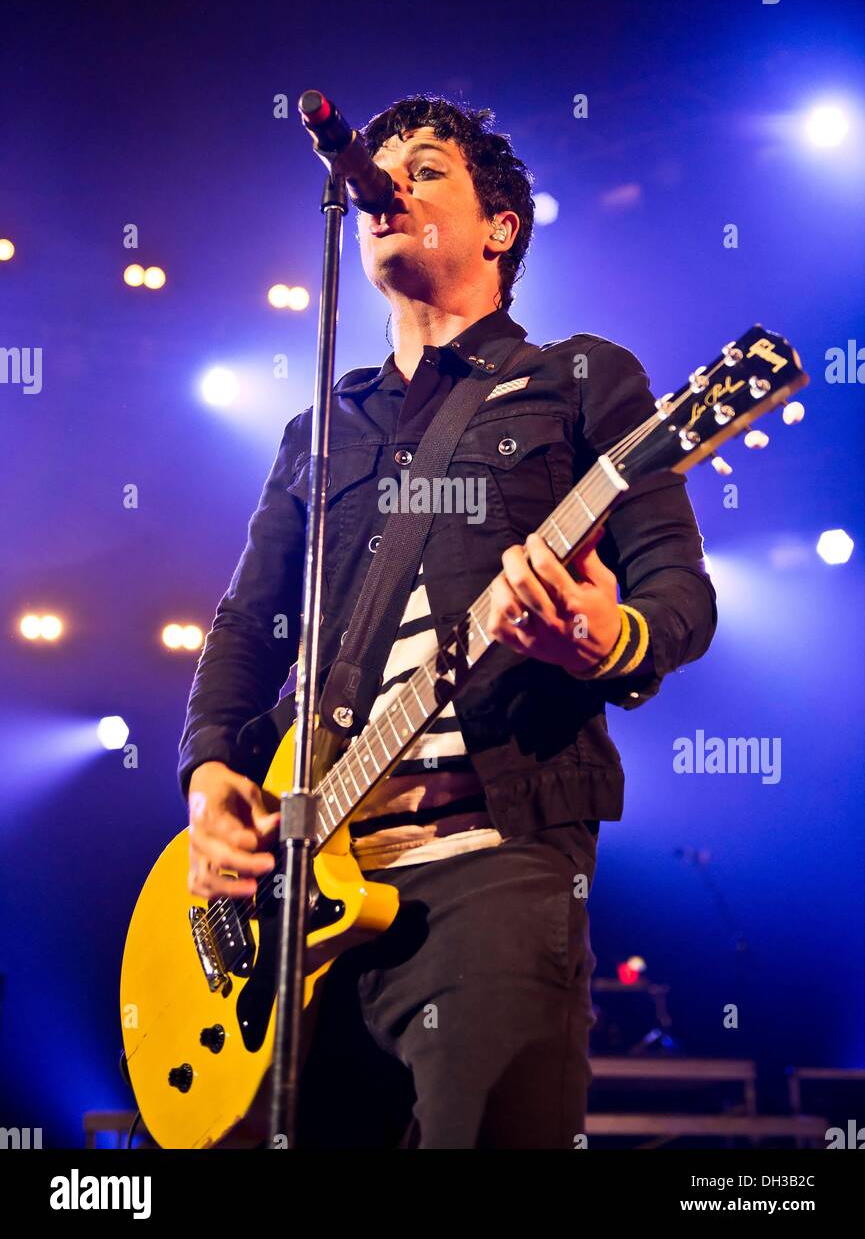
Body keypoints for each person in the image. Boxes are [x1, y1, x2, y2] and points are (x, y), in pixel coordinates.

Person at [178, 95, 717, 1148]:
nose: (385, 189)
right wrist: (207, 781)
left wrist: (610, 638)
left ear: (498, 227)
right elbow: (247, 627)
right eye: (374, 175)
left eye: (423, 170)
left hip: (493, 861)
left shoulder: (580, 381)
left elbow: (678, 596)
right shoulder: (321, 428)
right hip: (307, 902)